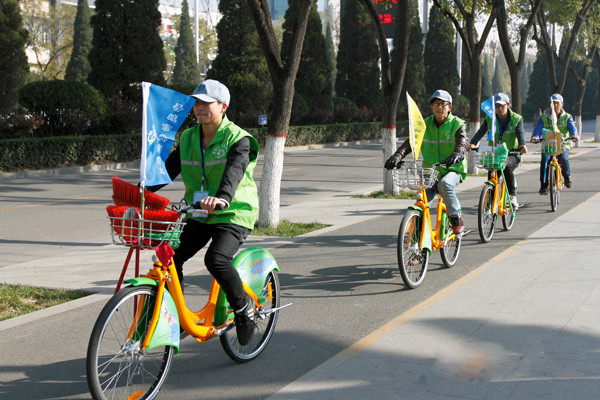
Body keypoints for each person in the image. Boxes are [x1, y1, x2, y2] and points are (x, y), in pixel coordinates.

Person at [147, 79, 260, 345]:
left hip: (232, 212)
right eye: (196, 103)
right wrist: (144, 188)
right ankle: (177, 317)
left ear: (223, 106)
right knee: (170, 259)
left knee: (217, 259)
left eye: (206, 103)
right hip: (198, 211)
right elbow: (169, 168)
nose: (199, 108)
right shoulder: (188, 137)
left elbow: (235, 170)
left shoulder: (238, 138)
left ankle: (243, 310)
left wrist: (221, 198)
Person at [384, 89, 469, 235]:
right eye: (435, 103)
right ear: (431, 107)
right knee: (420, 202)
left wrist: (457, 153)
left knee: (445, 184)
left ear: (450, 107)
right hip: (430, 171)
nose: (439, 107)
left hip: (453, 168)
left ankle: (456, 217)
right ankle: (417, 247)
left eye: (443, 104)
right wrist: (398, 155)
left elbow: (462, 142)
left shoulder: (457, 123)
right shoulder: (424, 124)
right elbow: (411, 142)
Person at [469, 93, 528, 210]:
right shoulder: (490, 118)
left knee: (506, 167)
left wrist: (522, 145)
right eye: (497, 106)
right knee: (492, 172)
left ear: (508, 105)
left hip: (512, 153)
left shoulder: (516, 119)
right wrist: (473, 142)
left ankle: (512, 196)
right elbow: (481, 131)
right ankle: (490, 199)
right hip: (495, 153)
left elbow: (520, 133)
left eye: (502, 106)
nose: (500, 109)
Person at [531, 93, 579, 194]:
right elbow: (538, 128)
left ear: (562, 104)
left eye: (557, 103)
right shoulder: (544, 117)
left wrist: (574, 135)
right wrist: (535, 136)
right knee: (545, 160)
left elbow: (572, 129)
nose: (555, 105)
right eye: (553, 103)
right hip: (548, 143)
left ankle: (567, 176)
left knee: (563, 158)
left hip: (562, 144)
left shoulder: (567, 117)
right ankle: (544, 186)